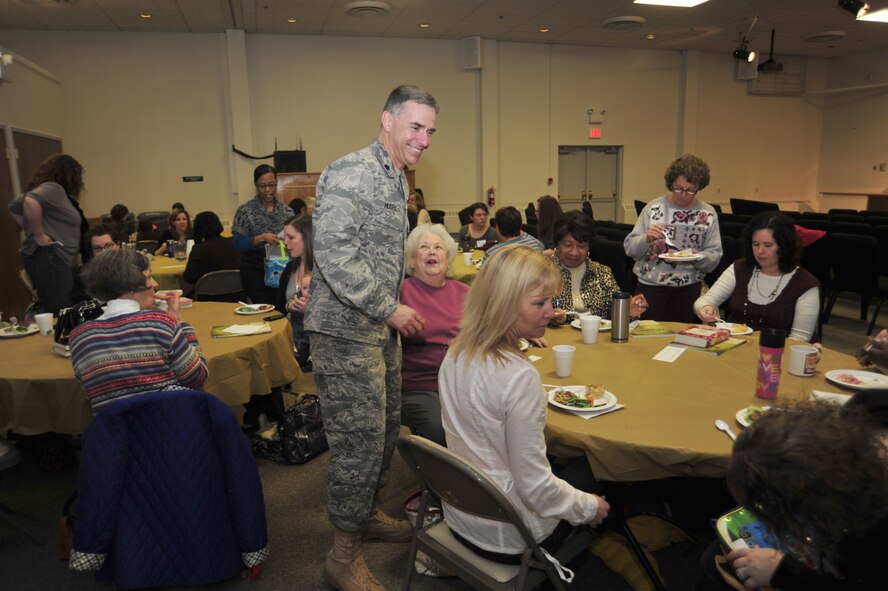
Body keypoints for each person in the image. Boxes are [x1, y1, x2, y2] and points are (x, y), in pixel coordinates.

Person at [304, 84, 437, 591]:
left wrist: (390, 311)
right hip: (343, 330)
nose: (424, 139)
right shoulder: (352, 171)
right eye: (416, 127)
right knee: (357, 443)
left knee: (384, 431)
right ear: (387, 121)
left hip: (377, 329)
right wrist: (391, 308)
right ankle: (342, 555)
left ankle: (369, 512)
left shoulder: (398, 178)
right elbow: (333, 254)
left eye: (430, 131)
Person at [438, 245, 609, 562]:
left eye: (551, 301)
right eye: (540, 303)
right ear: (504, 306)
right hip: (509, 534)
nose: (552, 311)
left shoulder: (456, 351)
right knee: (603, 463)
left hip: (461, 513)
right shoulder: (518, 377)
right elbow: (536, 490)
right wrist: (590, 507)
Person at [696, 401, 888, 590]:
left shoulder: (874, 533)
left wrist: (782, 573)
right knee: (715, 554)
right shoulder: (854, 471)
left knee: (718, 574)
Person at [69, 249, 208, 411]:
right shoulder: (161, 325)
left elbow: (94, 393)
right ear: (132, 285)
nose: (155, 284)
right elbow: (198, 377)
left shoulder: (79, 339)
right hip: (171, 427)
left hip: (115, 433)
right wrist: (179, 321)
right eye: (149, 277)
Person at [624, 154, 722, 323]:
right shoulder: (653, 209)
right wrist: (646, 239)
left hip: (688, 289)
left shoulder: (707, 213)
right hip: (651, 288)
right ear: (671, 184)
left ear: (699, 187)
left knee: (681, 338)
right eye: (679, 188)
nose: (684, 194)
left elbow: (714, 256)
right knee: (646, 340)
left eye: (691, 190)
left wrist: (697, 258)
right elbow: (630, 248)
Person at [694, 212, 819, 342]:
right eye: (755, 244)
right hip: (732, 347)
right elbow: (704, 301)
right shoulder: (740, 268)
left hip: (777, 353)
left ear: (784, 247)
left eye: (768, 245)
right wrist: (705, 308)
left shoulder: (805, 283)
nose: (760, 251)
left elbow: (798, 340)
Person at [399, 223, 469, 446]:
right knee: (442, 432)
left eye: (438, 247)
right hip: (422, 385)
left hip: (464, 380)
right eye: (424, 247)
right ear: (411, 260)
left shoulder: (464, 291)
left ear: (448, 260)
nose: (431, 251)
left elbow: (487, 326)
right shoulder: (400, 292)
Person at [8, 153, 89, 315]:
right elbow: (28, 202)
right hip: (51, 258)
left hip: (56, 260)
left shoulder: (56, 195)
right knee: (60, 311)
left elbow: (14, 206)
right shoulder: (54, 188)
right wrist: (37, 234)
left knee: (63, 308)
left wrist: (30, 228)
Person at [549, 211, 647, 323]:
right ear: (557, 243)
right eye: (568, 245)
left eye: (581, 246)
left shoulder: (601, 272)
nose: (574, 253)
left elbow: (616, 315)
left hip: (598, 338)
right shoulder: (542, 272)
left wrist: (629, 311)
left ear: (589, 247)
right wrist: (546, 317)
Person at [232, 165, 294, 304]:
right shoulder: (245, 211)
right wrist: (260, 239)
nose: (267, 190)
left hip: (282, 268)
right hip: (254, 271)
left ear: (277, 184)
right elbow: (237, 244)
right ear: (256, 186)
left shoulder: (287, 212)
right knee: (263, 310)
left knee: (282, 308)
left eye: (271, 185)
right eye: (262, 186)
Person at [275, 216, 313, 369]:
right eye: (285, 237)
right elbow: (278, 307)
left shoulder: (323, 272)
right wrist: (289, 306)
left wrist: (308, 310)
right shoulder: (289, 269)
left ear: (307, 238)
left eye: (291, 237)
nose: (285, 243)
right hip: (290, 338)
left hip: (315, 343)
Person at [182, 211, 239, 291]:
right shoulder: (234, 244)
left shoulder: (199, 249)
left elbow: (189, 278)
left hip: (208, 296)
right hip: (237, 294)